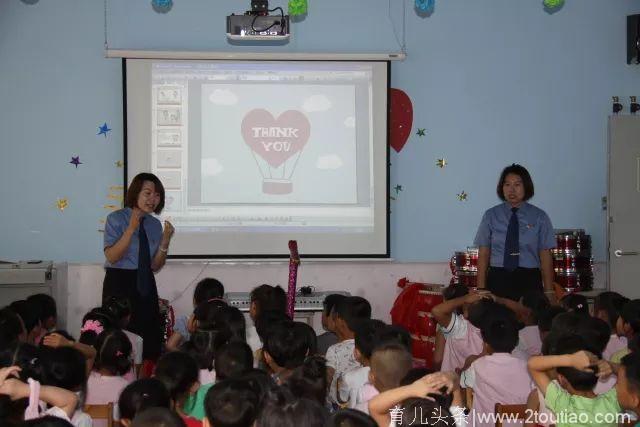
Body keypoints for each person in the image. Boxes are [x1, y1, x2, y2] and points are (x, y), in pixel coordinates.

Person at [102, 172, 175, 361]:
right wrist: (131, 229)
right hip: (120, 282)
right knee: (119, 340)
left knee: (149, 337)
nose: (153, 199)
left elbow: (155, 265)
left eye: (157, 195)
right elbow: (112, 256)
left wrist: (165, 241)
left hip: (145, 284)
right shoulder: (116, 219)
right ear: (135, 193)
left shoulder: (154, 225)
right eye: (148, 193)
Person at [474, 164, 556, 301]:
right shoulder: (491, 215)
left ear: (526, 187)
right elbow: (484, 253)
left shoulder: (539, 217)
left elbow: (545, 256)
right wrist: (481, 289)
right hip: (498, 277)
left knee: (530, 320)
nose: (511, 190)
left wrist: (549, 291)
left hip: (529, 278)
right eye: (507, 185)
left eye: (517, 185)